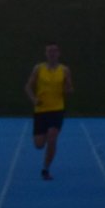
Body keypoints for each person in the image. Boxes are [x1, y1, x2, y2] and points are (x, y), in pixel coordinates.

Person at [24, 42, 73, 180]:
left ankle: (45, 169)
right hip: (41, 109)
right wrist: (34, 100)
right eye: (49, 51)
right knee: (39, 145)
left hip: (57, 109)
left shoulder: (64, 70)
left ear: (58, 53)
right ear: (46, 54)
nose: (52, 53)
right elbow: (27, 87)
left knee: (52, 137)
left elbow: (69, 88)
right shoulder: (38, 68)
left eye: (54, 51)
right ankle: (44, 135)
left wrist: (68, 89)